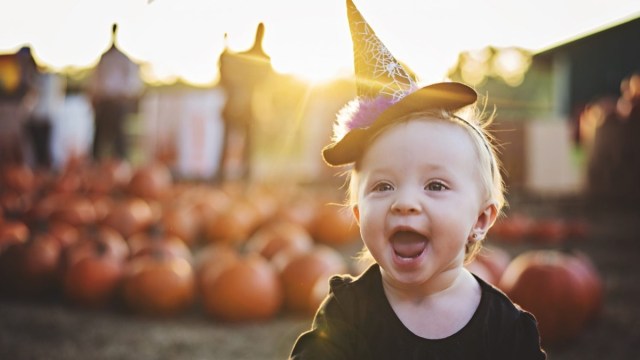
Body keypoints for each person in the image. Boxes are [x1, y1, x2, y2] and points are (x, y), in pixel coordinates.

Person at [289, 1, 546, 359]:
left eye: (435, 185)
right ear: (360, 215)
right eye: (383, 186)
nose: (404, 202)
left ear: (481, 219)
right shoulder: (347, 314)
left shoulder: (505, 330)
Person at [88, 23, 143, 161]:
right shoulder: (104, 58)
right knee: (100, 139)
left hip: (118, 103)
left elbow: (132, 83)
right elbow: (96, 81)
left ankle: (120, 167)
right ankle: (98, 166)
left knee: (119, 139)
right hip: (105, 102)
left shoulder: (124, 59)